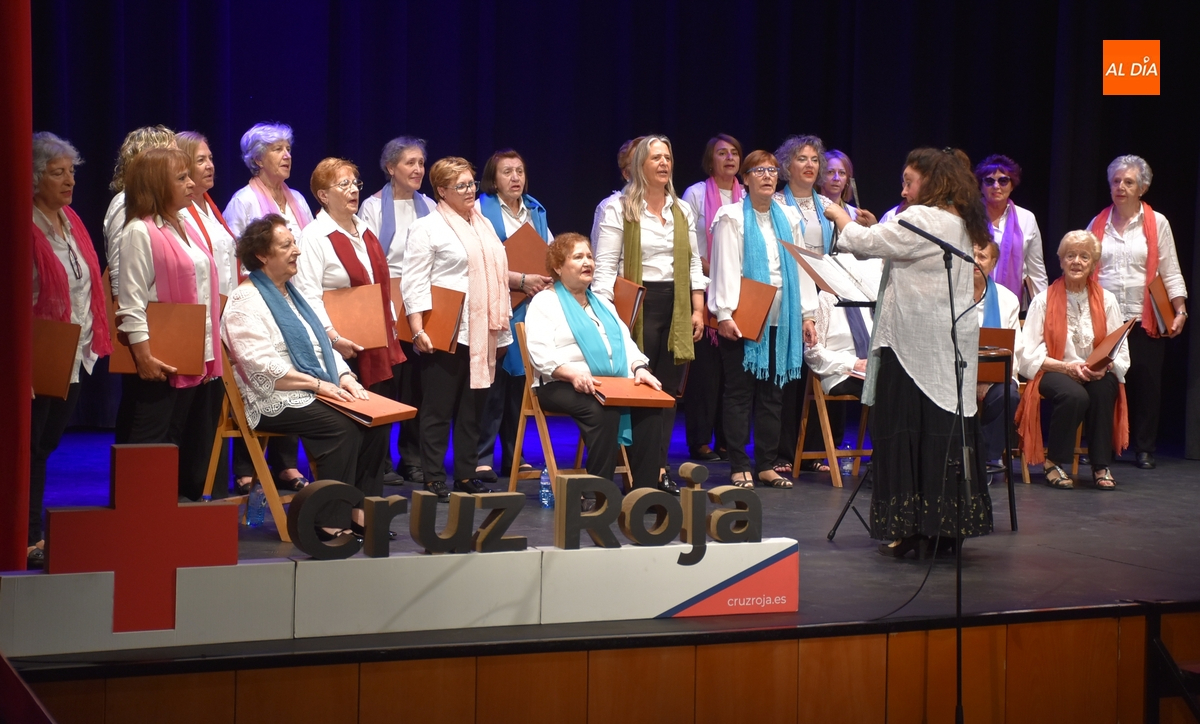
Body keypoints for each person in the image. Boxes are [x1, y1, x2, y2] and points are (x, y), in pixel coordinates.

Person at [824, 147, 993, 558]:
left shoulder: (921, 218)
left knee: (905, 433)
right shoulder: (960, 221)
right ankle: (945, 529)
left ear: (931, 184)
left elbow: (862, 245)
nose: (903, 189)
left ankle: (908, 529)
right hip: (946, 347)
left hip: (911, 347)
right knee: (941, 434)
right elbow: (895, 242)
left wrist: (840, 216)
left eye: (909, 181)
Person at [222, 215, 385, 539]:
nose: (297, 250)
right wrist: (320, 384)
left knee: (372, 423)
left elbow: (320, 344)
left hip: (310, 388)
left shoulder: (292, 294)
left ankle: (360, 512)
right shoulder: (245, 301)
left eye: (294, 243)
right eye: (287, 245)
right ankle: (326, 519)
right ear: (263, 256)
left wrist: (344, 377)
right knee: (342, 427)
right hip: (271, 396)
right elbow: (262, 366)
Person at [591, 135, 707, 495]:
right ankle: (631, 469)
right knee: (637, 388)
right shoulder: (618, 208)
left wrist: (698, 307)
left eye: (667, 157)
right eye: (655, 157)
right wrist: (607, 318)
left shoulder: (682, 210)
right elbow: (605, 268)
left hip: (676, 303)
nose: (663, 164)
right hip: (636, 304)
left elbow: (691, 261)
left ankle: (657, 468)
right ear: (639, 164)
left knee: (667, 393)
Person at [114, 147, 223, 501]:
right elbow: (131, 304)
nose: (191, 183)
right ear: (157, 185)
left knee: (186, 442)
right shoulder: (139, 232)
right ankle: (139, 518)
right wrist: (144, 357)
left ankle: (173, 520)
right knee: (153, 442)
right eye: (181, 178)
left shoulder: (186, 223)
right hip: (162, 354)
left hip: (195, 351)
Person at [401, 157, 511, 501]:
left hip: (483, 330)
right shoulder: (428, 227)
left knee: (473, 408)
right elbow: (414, 281)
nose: (469, 191)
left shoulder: (483, 224)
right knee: (438, 408)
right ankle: (433, 475)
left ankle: (465, 474)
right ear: (442, 192)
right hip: (446, 328)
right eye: (460, 186)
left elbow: (498, 276)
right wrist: (418, 328)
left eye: (471, 184)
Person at [28, 132, 112, 569]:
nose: (69, 181)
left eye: (71, 173)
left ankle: (28, 530)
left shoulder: (71, 220)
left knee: (46, 442)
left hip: (74, 352)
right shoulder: (24, 224)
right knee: (30, 447)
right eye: (58, 173)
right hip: (38, 354)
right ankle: (26, 535)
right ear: (34, 177)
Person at [525, 233, 664, 487]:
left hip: (610, 383)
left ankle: (644, 493)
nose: (587, 262)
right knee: (603, 411)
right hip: (560, 383)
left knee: (651, 407)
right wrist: (573, 374)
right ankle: (598, 493)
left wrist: (639, 367)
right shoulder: (545, 302)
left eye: (589, 256)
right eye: (578, 257)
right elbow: (541, 354)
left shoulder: (603, 303)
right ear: (558, 267)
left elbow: (626, 344)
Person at [709, 151, 808, 489]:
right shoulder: (732, 216)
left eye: (772, 170)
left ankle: (766, 463)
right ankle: (739, 464)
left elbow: (799, 268)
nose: (767, 175)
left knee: (773, 394)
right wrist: (723, 313)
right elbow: (724, 268)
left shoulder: (789, 218)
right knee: (739, 392)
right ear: (746, 178)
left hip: (782, 318)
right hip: (743, 315)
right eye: (759, 170)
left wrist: (807, 314)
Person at [1088, 155, 1187, 470]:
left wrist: (1180, 308)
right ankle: (1103, 446)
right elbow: (1085, 265)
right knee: (1104, 384)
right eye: (1116, 181)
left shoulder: (1157, 222)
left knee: (1146, 385)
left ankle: (1144, 448)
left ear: (1141, 188)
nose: (1120, 187)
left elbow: (1170, 269)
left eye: (1128, 182)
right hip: (1105, 319)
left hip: (1142, 317)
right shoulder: (1097, 222)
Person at [1016, 231, 1129, 490]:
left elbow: (1121, 351)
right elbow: (1026, 355)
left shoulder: (1107, 300)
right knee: (1075, 396)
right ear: (1061, 261)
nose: (1077, 261)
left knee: (1104, 389)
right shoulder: (1043, 300)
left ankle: (1101, 464)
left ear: (1093, 263)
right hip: (1054, 370)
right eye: (1070, 256)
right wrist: (1067, 367)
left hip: (1094, 371)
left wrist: (1105, 367)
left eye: (1084, 256)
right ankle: (1053, 462)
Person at [357, 136, 437, 485]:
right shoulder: (372, 208)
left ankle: (413, 457)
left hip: (420, 302)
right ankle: (382, 460)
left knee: (419, 383)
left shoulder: (431, 207)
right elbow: (369, 261)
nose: (418, 169)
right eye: (410, 163)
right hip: (385, 301)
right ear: (391, 168)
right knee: (388, 382)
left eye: (421, 162)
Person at [474, 149, 554, 482]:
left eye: (519, 171)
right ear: (494, 178)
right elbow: (479, 259)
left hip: (528, 306)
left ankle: (514, 455)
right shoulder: (481, 209)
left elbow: (550, 251)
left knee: (519, 385)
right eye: (507, 172)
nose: (515, 178)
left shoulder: (535, 211)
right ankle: (481, 457)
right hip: (494, 302)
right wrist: (520, 279)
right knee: (492, 385)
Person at [293, 157, 405, 396]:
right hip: (340, 347)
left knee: (383, 417)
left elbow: (379, 287)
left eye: (355, 183)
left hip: (376, 339)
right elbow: (307, 297)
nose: (353, 189)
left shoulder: (365, 230)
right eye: (344, 185)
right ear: (323, 195)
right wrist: (333, 338)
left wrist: (391, 323)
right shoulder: (313, 237)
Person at [770, 134, 833, 476]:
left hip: (826, 299)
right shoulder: (777, 203)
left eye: (814, 159)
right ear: (786, 166)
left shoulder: (828, 206)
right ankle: (783, 451)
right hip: (792, 297)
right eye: (801, 159)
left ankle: (815, 451)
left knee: (821, 374)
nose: (809, 165)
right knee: (789, 378)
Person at [680, 134, 743, 463]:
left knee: (731, 371)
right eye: (722, 153)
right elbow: (688, 243)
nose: (729, 158)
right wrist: (712, 265)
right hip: (702, 287)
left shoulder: (744, 195)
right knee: (704, 373)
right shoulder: (694, 193)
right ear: (710, 160)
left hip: (735, 291)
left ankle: (726, 439)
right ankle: (700, 440)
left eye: (734, 153)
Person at [800, 259, 877, 475]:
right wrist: (853, 363)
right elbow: (813, 353)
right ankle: (881, 463)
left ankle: (894, 460)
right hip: (839, 373)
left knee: (899, 387)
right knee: (881, 392)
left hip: (869, 371)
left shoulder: (869, 299)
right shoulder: (827, 298)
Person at [103, 125, 176, 296]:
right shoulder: (125, 203)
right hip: (144, 314)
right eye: (173, 155)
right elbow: (121, 277)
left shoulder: (162, 204)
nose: (181, 161)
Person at [972, 241, 1022, 469]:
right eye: (970, 255)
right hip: (952, 376)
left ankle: (984, 459)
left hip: (993, 378)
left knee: (1008, 395)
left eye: (982, 257)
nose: (975, 261)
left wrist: (990, 379)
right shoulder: (945, 295)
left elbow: (1014, 349)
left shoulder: (1007, 299)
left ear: (992, 263)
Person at [974, 154, 1047, 302]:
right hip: (972, 300)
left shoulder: (1026, 218)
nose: (996, 186)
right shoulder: (969, 217)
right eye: (989, 181)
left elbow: (1036, 271)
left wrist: (1043, 310)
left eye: (1003, 181)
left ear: (1012, 185)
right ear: (981, 186)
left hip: (1012, 302)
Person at [223, 122, 315, 238]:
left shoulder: (298, 198)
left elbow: (313, 242)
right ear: (258, 160)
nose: (287, 156)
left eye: (288, 149)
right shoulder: (243, 201)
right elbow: (233, 250)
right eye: (278, 149)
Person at [819, 150, 876, 226]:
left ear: (847, 180)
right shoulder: (810, 209)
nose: (836, 178)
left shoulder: (855, 216)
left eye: (842, 173)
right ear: (820, 176)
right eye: (830, 172)